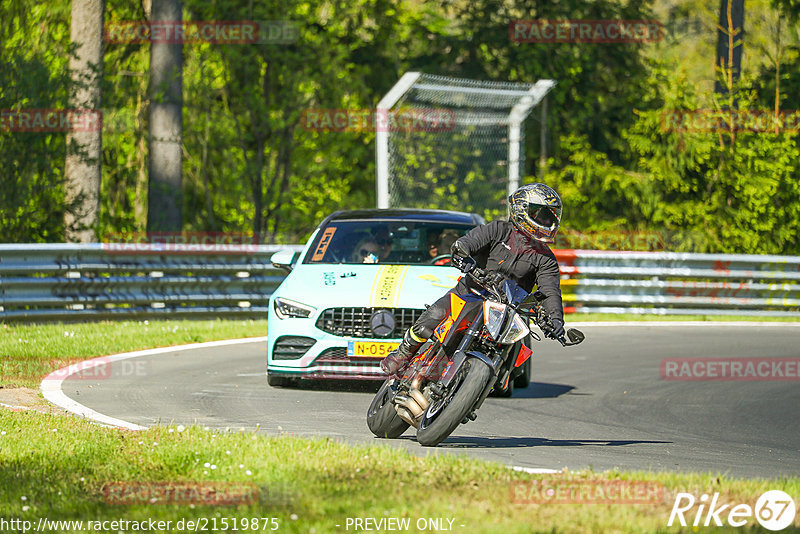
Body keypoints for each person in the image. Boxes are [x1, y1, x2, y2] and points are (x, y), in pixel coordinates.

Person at [381, 183, 567, 375]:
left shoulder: (546, 259)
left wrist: (555, 320)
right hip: (470, 292)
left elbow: (550, 291)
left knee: (515, 365)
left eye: (550, 216)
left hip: (507, 313)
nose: (546, 220)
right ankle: (402, 353)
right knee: (434, 316)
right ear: (522, 209)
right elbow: (467, 242)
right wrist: (462, 253)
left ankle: (485, 379)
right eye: (541, 214)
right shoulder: (498, 230)